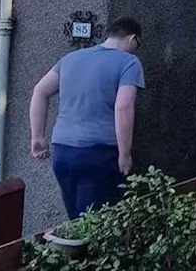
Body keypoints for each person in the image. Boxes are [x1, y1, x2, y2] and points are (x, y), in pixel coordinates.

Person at [29, 16, 145, 219]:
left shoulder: (70, 59)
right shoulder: (129, 62)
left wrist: (38, 137)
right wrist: (124, 153)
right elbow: (123, 107)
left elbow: (39, 91)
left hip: (63, 153)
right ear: (132, 38)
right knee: (98, 226)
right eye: (138, 43)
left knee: (77, 221)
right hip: (99, 155)